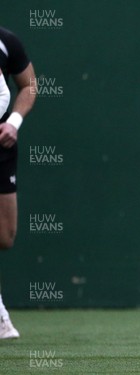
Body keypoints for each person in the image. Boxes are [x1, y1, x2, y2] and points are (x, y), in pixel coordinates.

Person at [0, 26, 37, 340]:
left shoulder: (7, 41)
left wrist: (14, 122)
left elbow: (29, 85)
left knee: (5, 235)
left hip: (2, 143)